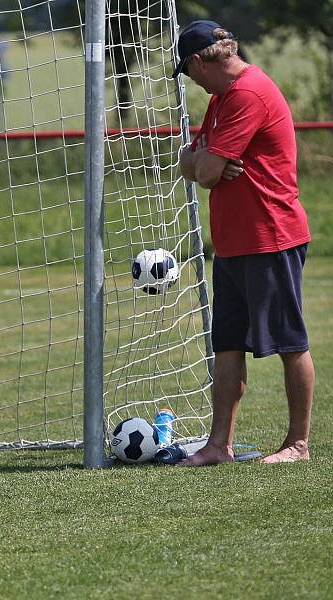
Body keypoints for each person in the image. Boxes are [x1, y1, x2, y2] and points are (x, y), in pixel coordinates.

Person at [174, 20, 315, 465]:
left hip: (269, 238)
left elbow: (207, 172)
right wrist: (203, 160)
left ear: (199, 61)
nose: (190, 80)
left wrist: (205, 162)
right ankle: (220, 445)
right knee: (228, 345)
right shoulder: (222, 100)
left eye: (187, 71)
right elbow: (192, 166)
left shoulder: (248, 94)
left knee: (291, 344)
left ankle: (298, 444)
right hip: (234, 244)